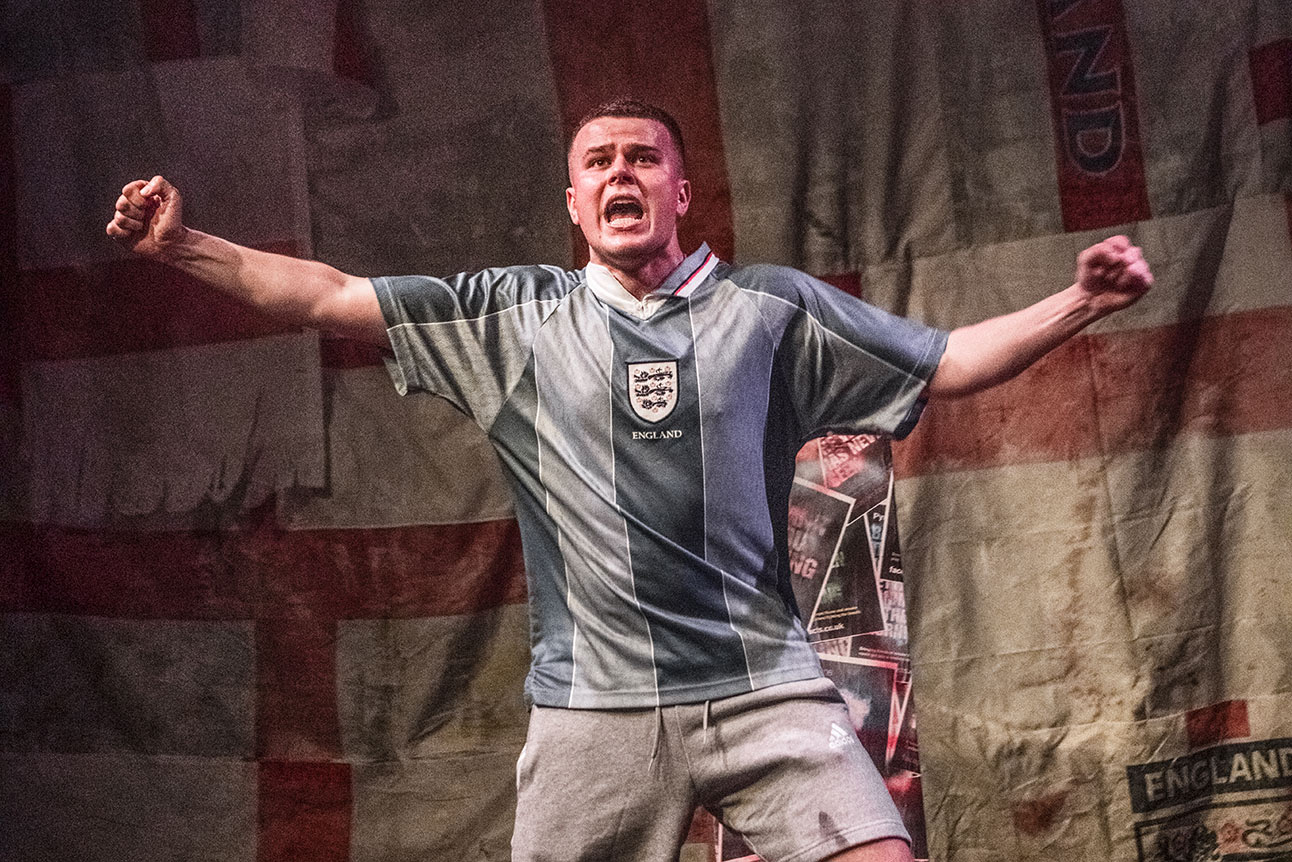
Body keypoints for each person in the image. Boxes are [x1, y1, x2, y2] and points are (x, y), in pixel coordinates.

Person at [107, 98, 1152, 862]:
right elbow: (329, 294)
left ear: (679, 189)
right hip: (594, 712)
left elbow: (949, 360)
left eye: (643, 160)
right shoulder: (511, 316)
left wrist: (1078, 303)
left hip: (763, 692)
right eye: (598, 161)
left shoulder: (769, 310)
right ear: (573, 199)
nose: (621, 175)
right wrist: (181, 244)